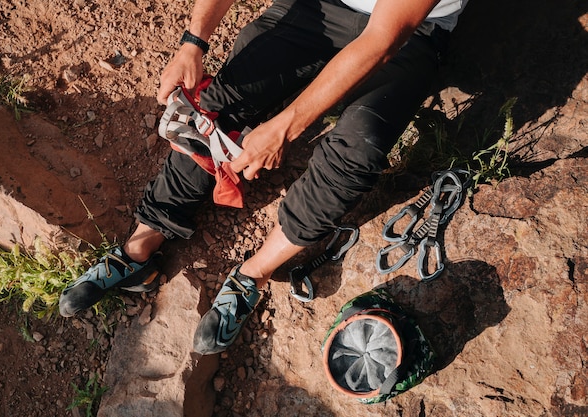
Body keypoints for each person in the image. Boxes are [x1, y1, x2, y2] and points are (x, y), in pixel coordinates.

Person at [59, 0, 470, 355]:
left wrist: (284, 128)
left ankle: (252, 274)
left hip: (408, 33)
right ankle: (139, 251)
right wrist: (193, 42)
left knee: (357, 148)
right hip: (318, 8)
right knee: (214, 108)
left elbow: (382, 40)